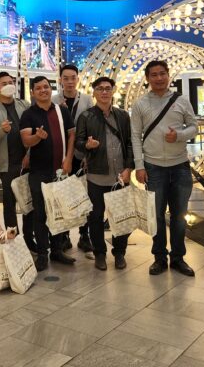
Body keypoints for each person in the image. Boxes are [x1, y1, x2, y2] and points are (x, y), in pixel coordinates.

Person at [130, 60, 198, 277]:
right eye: (154, 75)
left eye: (162, 74)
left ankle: (178, 258)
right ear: (147, 78)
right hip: (153, 167)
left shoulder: (181, 100)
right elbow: (135, 136)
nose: (159, 78)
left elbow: (194, 127)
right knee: (156, 216)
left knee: (179, 215)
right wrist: (139, 166)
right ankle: (159, 257)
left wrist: (179, 135)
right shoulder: (140, 104)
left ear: (169, 75)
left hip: (180, 166)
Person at [75, 77, 134, 271]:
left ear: (113, 91)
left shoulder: (122, 116)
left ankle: (120, 253)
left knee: (121, 216)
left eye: (108, 88)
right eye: (100, 89)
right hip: (96, 176)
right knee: (95, 217)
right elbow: (78, 143)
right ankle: (100, 253)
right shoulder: (86, 116)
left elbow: (130, 143)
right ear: (94, 93)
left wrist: (129, 168)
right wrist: (87, 145)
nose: (104, 92)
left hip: (120, 176)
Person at [20, 76, 76, 271]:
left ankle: (57, 250)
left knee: (59, 212)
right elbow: (26, 141)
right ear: (32, 92)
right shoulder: (28, 114)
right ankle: (43, 253)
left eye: (46, 86)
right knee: (40, 213)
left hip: (60, 171)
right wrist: (37, 137)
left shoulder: (62, 111)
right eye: (38, 88)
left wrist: (69, 159)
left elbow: (71, 135)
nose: (43, 90)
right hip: (38, 172)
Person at [0, 72, 35, 251]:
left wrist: (29, 154)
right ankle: (14, 240)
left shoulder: (24, 104)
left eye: (11, 82)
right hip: (6, 163)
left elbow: (33, 129)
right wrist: (3, 130)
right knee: (9, 203)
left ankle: (29, 238)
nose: (8, 85)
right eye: (4, 83)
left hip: (27, 160)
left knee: (29, 201)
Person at [53, 64, 94, 252]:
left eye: (73, 78)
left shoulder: (86, 100)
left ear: (78, 79)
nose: (70, 82)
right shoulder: (53, 100)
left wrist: (87, 155)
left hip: (80, 154)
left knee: (83, 195)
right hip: (60, 154)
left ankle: (84, 235)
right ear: (60, 80)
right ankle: (65, 236)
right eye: (66, 78)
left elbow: (91, 128)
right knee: (62, 195)